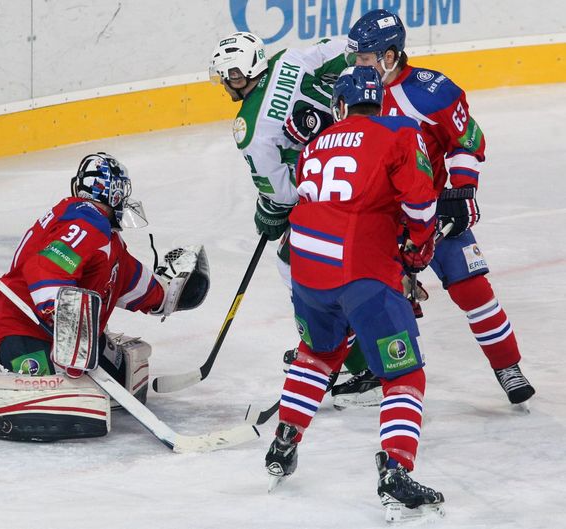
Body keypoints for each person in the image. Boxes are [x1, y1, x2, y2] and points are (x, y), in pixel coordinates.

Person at [328, 9, 534, 407]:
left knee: (474, 290)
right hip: (382, 222)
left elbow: (467, 139)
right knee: (370, 302)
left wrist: (464, 193)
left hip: (434, 209)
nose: (358, 66)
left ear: (390, 57)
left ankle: (507, 366)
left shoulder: (431, 91)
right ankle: (372, 371)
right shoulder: (351, 92)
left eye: (366, 58)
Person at [265, 66, 444, 520]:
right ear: (378, 103)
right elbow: (421, 203)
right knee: (404, 375)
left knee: (317, 353)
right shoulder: (401, 131)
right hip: (362, 274)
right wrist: (418, 251)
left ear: (340, 106)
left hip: (305, 269)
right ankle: (395, 471)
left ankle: (284, 442)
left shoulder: (314, 145)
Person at [209, 32, 372, 381]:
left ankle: (349, 359)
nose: (228, 83)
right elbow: (345, 50)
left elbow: (283, 195)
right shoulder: (288, 59)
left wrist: (268, 209)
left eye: (232, 75)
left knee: (295, 264)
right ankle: (342, 344)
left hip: (330, 191)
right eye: (227, 75)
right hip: (366, 154)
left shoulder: (250, 129)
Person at [0, 152, 209, 404]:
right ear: (112, 193)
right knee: (56, 403)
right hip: (23, 329)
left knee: (123, 376)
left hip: (66, 338)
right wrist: (68, 323)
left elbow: (131, 282)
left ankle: (70, 364)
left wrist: (172, 291)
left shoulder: (108, 240)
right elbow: (46, 271)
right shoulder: (85, 223)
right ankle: (25, 370)